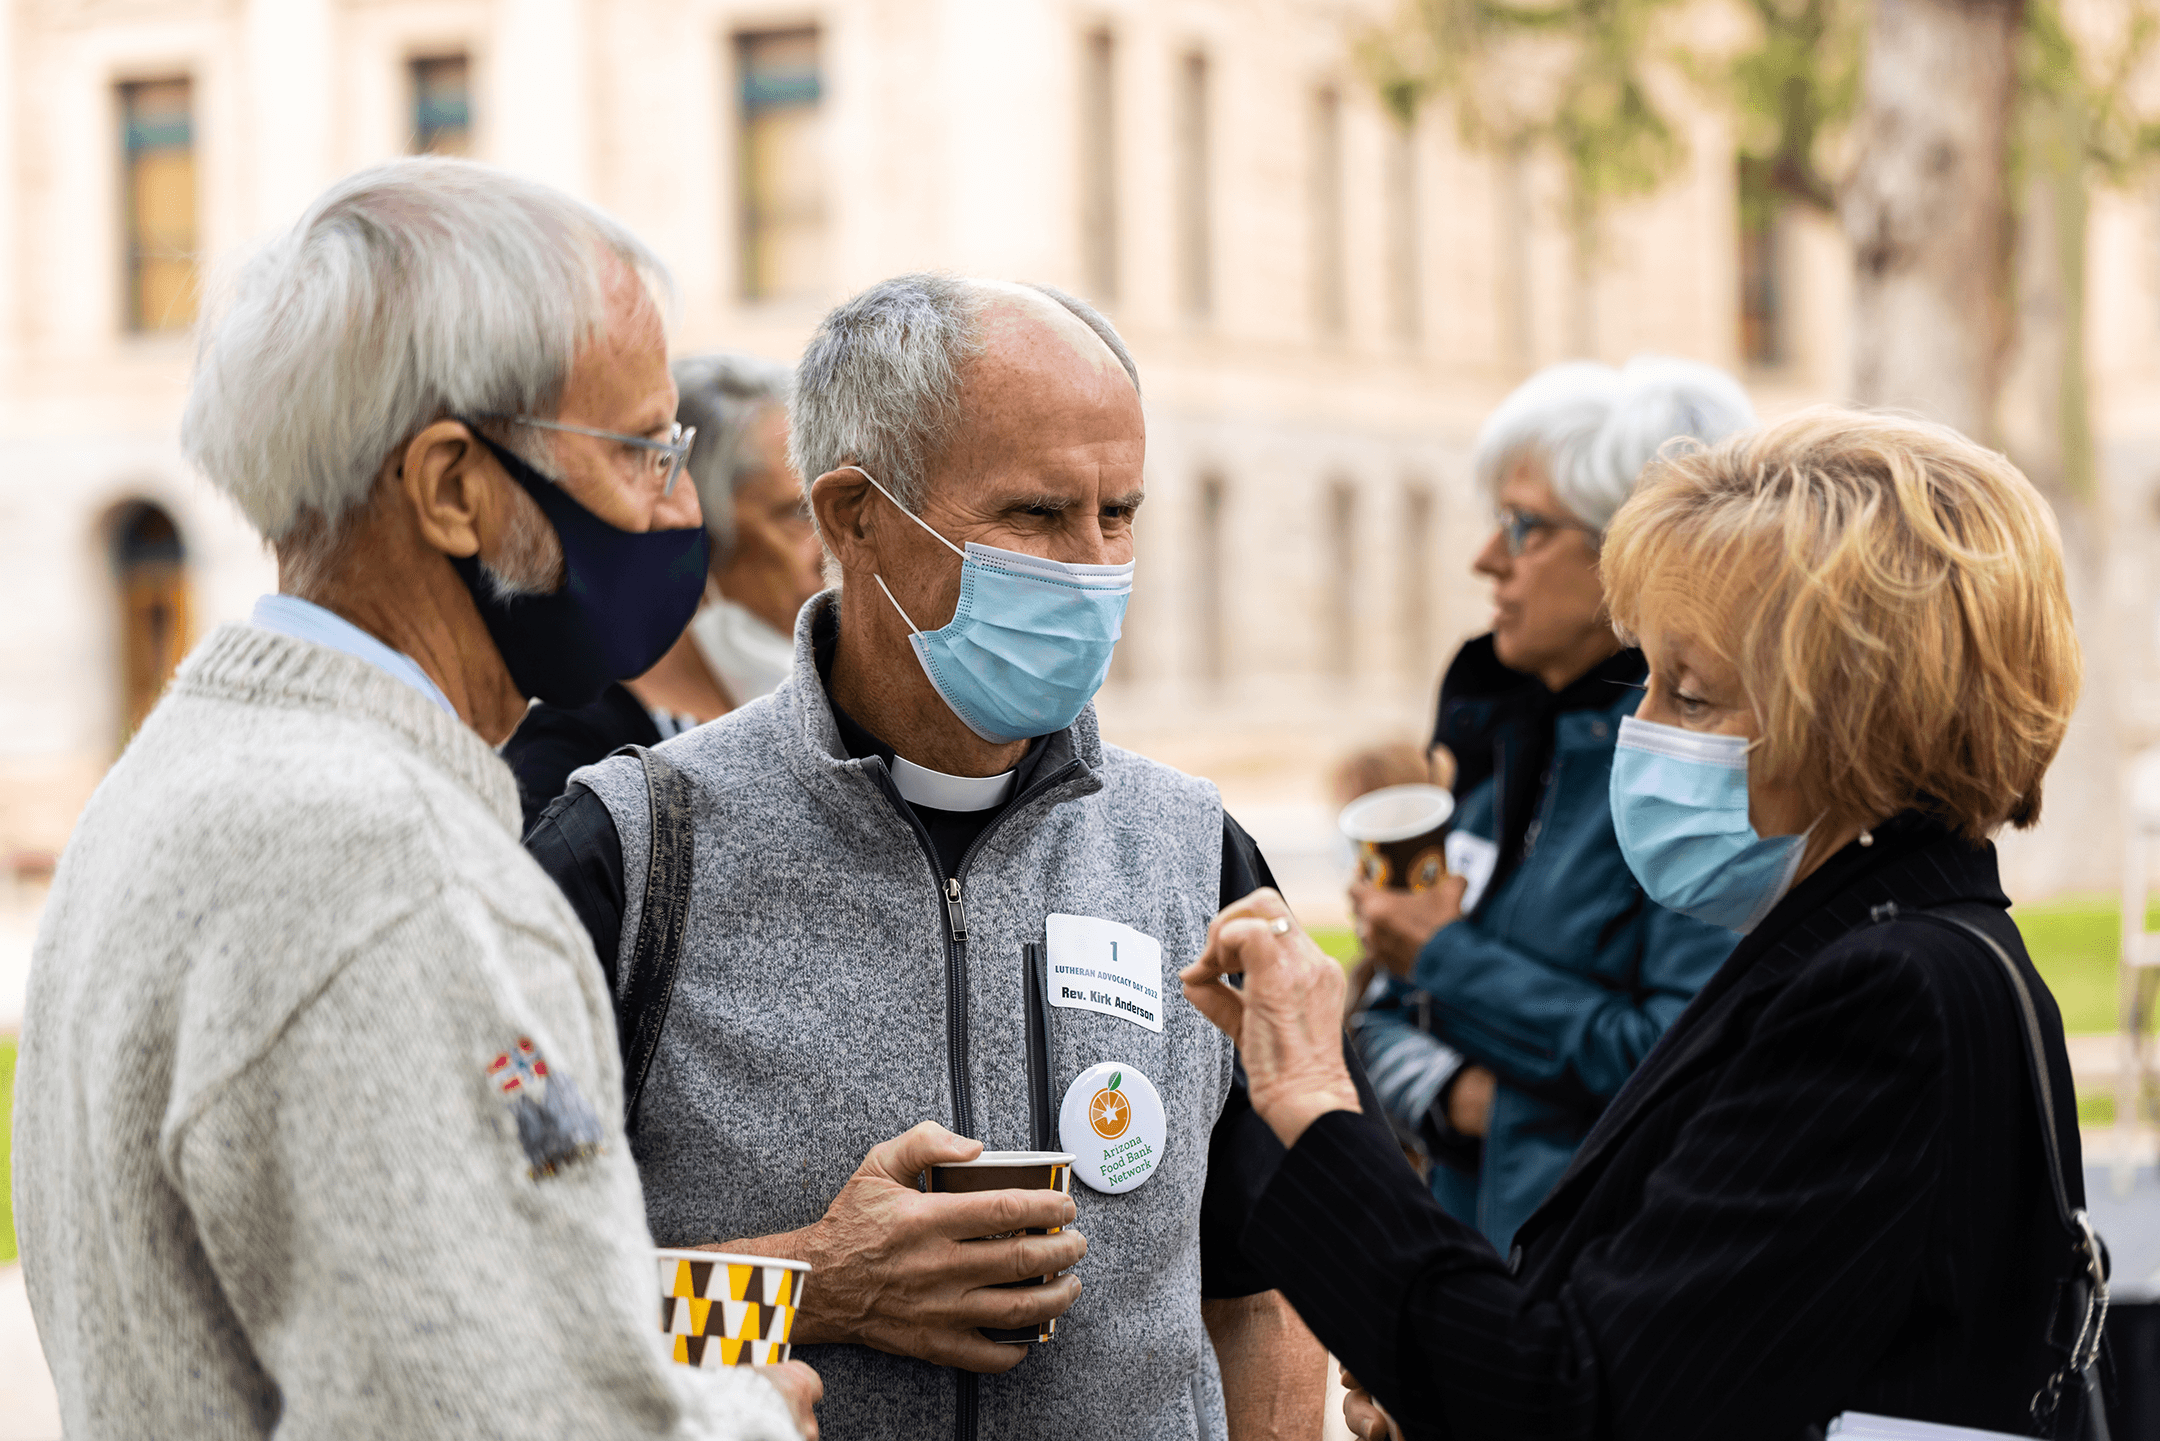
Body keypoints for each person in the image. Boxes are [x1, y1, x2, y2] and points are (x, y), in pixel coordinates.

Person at [10, 158, 816, 1440]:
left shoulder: (175, 771)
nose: (680, 510)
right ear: (451, 486)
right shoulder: (393, 871)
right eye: (647, 452)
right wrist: (751, 1412)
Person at [525, 273, 1347, 1441]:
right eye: (1036, 514)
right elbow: (488, 1297)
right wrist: (814, 1282)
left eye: (1120, 512)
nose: (1093, 566)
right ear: (854, 515)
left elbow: (1262, 1289)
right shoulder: (635, 851)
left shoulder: (1192, 853)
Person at [1182, 409, 2096, 1438]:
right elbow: (1676, 1357)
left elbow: (1575, 1406)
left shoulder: (1888, 991)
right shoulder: (1898, 942)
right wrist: (1446, 1367)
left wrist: (1310, 1097)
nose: (1639, 727)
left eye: (1690, 693)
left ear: (1844, 721)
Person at [1349, 357, 1750, 1252]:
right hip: (1477, 1284)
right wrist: (1459, 1093)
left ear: (1632, 552)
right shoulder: (1508, 755)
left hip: (1614, 1302)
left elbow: (1681, 1060)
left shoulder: (1685, 778)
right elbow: (1379, 1014)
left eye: (1524, 526)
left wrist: (1445, 959)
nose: (1486, 558)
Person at [505, 352, 824, 830]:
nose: (831, 548)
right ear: (704, 536)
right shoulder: (579, 748)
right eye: (798, 514)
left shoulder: (823, 715)